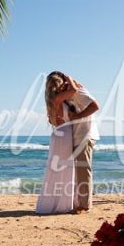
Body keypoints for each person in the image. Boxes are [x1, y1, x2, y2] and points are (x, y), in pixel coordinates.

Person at [52, 72, 99, 213]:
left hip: (85, 134)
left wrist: (78, 117)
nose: (58, 89)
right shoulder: (67, 95)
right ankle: (78, 202)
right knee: (77, 171)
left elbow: (95, 106)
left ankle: (84, 205)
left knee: (83, 170)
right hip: (76, 135)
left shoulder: (78, 91)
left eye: (59, 85)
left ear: (65, 82)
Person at [36, 73, 75, 214]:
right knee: (65, 169)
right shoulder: (58, 98)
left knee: (56, 169)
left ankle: (52, 203)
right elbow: (74, 90)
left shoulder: (50, 99)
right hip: (64, 135)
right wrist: (70, 78)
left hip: (58, 135)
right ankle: (62, 204)